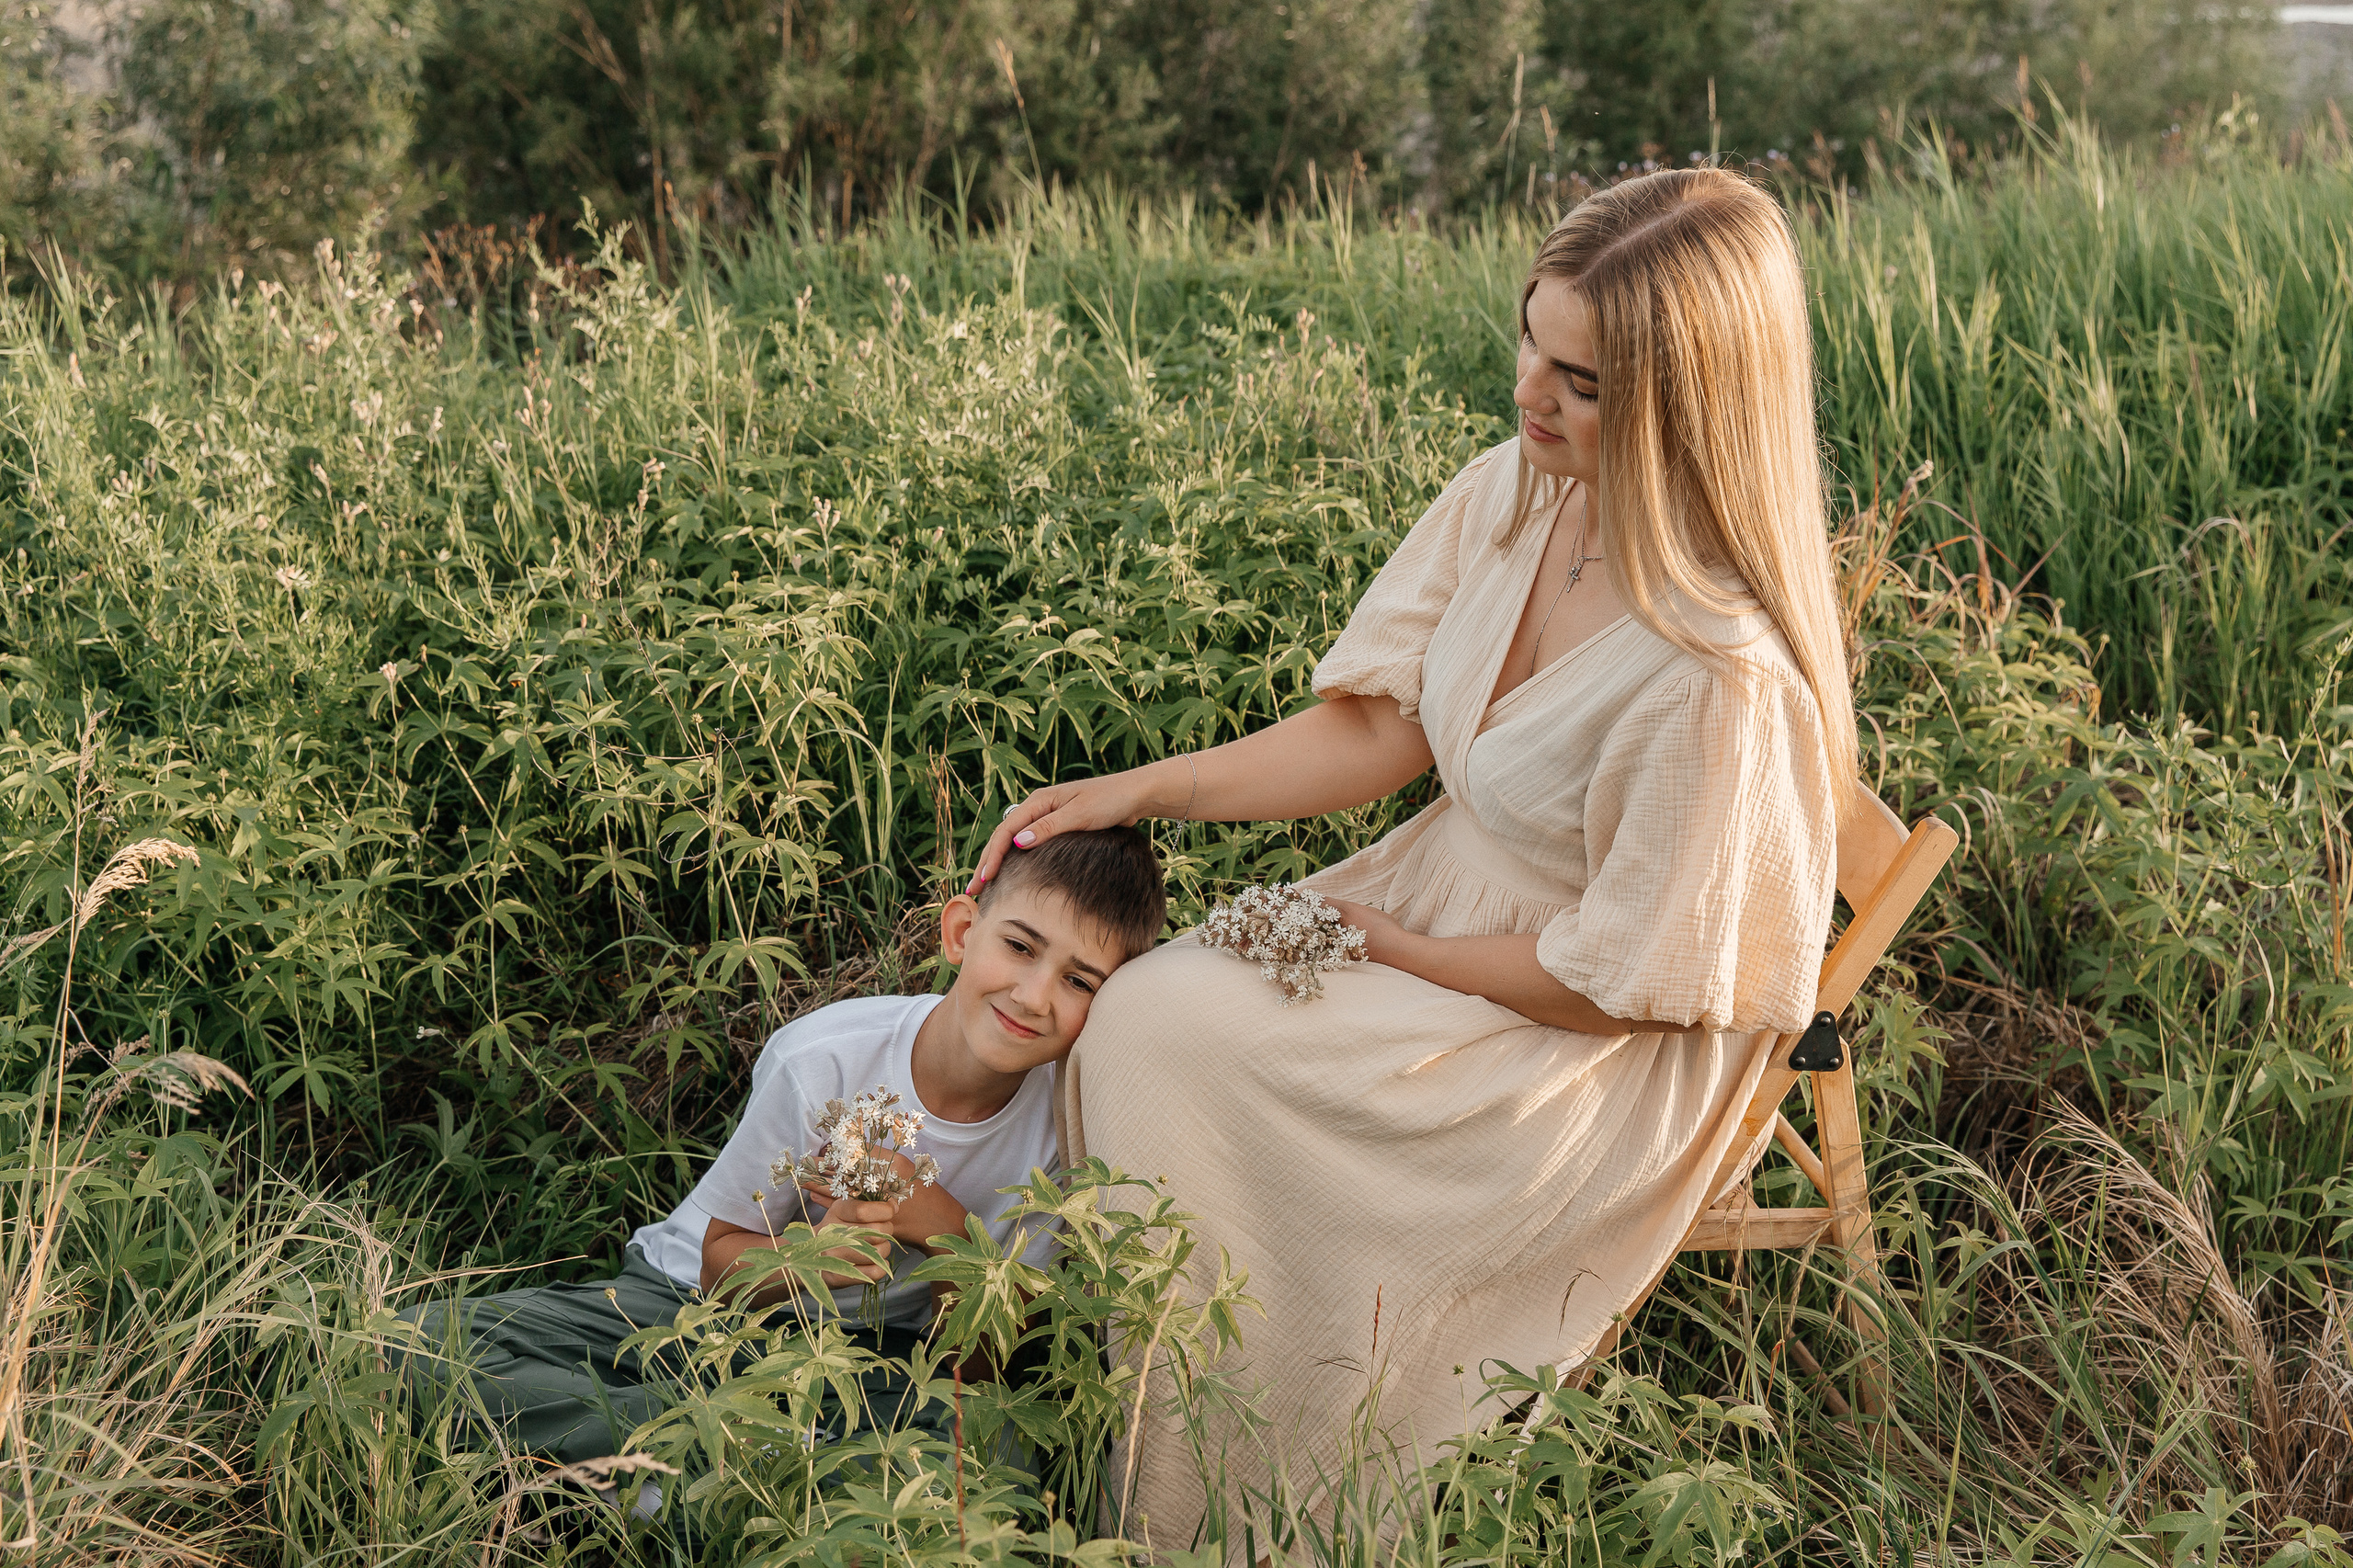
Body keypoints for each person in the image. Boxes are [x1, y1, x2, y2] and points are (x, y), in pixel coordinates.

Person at [970, 168, 1854, 1551]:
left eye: (1581, 380)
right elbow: (1377, 729)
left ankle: (1239, 1491)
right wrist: (1144, 787)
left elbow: (1617, 978)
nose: (1528, 393)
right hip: (1448, 897)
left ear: (1690, 400)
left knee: (1168, 1035)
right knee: (1146, 1015)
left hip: (1574, 1030)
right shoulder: (1517, 491)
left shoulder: (1717, 673)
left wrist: (1385, 946)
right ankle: (1130, 1421)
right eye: (1529, 341)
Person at [392, 826, 1167, 1495]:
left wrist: (947, 1234)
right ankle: (701, 1465)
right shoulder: (825, 1061)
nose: (1034, 995)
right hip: (688, 1308)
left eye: (1078, 981)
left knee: (987, 1457)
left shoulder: (1069, 1128)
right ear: (962, 931)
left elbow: (978, 1368)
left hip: (881, 1364)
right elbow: (717, 1262)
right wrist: (818, 1254)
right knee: (409, 1352)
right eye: (1020, 947)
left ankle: (677, 1471)